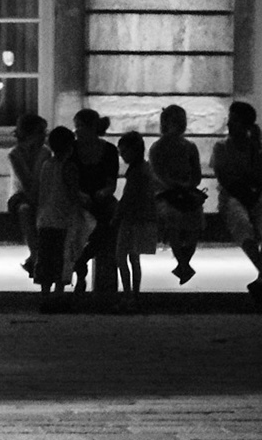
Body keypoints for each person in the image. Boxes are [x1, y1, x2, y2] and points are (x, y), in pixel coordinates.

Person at [211, 100, 262, 300]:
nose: (229, 125)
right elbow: (225, 179)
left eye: (234, 121)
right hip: (233, 196)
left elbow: (260, 176)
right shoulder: (221, 147)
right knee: (240, 220)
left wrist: (255, 148)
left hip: (256, 194)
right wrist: (246, 189)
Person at [149, 104, 205, 284]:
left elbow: (197, 175)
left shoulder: (189, 147)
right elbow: (158, 175)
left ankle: (183, 263)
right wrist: (178, 185)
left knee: (196, 219)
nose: (181, 125)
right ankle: (183, 263)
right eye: (177, 121)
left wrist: (186, 185)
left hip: (184, 191)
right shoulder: (158, 148)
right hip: (165, 194)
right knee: (173, 217)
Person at [35, 125, 88, 308]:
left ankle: (44, 297)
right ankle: (58, 297)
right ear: (70, 147)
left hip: (44, 218)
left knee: (46, 260)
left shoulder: (46, 165)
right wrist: (82, 205)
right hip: (62, 220)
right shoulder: (69, 166)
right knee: (61, 260)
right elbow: (72, 192)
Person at [71, 108, 119, 290]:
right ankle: (80, 265)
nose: (77, 131)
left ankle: (82, 260)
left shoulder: (108, 150)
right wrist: (78, 194)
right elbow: (68, 178)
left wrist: (104, 192)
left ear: (92, 128)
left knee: (111, 221)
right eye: (76, 127)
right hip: (78, 197)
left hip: (100, 197)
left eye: (80, 127)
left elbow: (111, 182)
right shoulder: (73, 149)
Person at [115, 131, 159, 311]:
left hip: (130, 219)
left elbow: (128, 197)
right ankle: (135, 295)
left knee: (120, 257)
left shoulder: (135, 172)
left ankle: (127, 295)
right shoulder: (146, 168)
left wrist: (117, 215)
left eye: (123, 152)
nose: (122, 156)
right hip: (143, 217)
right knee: (135, 257)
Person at [6, 113, 48, 279]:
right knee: (25, 209)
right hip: (19, 195)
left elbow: (38, 180)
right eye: (41, 132)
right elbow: (26, 181)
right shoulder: (15, 153)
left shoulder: (45, 152)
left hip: (40, 194)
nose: (44, 136)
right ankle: (36, 255)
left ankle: (36, 257)